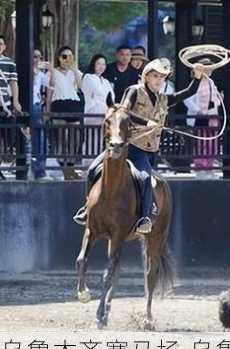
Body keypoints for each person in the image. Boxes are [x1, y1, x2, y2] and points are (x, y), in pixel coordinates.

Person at [73, 58, 206, 233]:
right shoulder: (134, 91)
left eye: (162, 77)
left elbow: (187, 93)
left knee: (144, 178)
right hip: (127, 145)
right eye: (155, 76)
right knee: (92, 171)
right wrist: (147, 121)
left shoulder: (163, 99)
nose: (159, 80)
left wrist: (197, 77)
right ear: (147, 76)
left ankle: (144, 218)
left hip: (146, 151)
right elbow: (124, 111)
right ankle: (87, 208)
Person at [48, 46, 84, 180]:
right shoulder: (53, 71)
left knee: (74, 137)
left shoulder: (75, 72)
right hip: (58, 103)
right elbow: (49, 89)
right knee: (61, 136)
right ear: (59, 57)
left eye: (69, 56)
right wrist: (48, 109)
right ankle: (62, 165)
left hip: (73, 103)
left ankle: (71, 164)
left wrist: (74, 69)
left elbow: (81, 87)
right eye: (64, 56)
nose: (66, 59)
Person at [0, 35, 22, 180]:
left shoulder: (9, 63)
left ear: (4, 46)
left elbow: (14, 83)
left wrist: (16, 102)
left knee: (7, 137)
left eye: (1, 43)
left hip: (4, 106)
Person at [31, 50, 51, 180]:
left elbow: (50, 86)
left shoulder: (41, 74)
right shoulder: (23, 69)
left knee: (41, 138)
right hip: (28, 105)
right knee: (37, 139)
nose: (37, 59)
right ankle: (37, 169)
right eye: (34, 56)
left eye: (39, 57)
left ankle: (40, 169)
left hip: (37, 105)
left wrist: (51, 70)